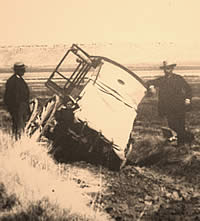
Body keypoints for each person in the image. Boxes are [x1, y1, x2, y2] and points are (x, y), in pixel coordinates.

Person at [146, 61, 193, 146]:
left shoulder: (178, 78)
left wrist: (188, 99)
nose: (166, 70)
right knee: (172, 126)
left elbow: (188, 89)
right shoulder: (162, 80)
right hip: (167, 108)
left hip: (179, 107)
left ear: (172, 69)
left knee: (180, 125)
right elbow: (149, 82)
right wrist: (151, 87)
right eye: (165, 69)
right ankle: (182, 141)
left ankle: (182, 144)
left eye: (168, 68)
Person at [3, 62, 30, 139]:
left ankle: (19, 139)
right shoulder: (12, 81)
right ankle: (17, 140)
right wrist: (14, 108)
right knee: (18, 125)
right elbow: (8, 97)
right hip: (17, 108)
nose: (24, 71)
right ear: (18, 70)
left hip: (22, 107)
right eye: (23, 70)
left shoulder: (19, 79)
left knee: (20, 125)